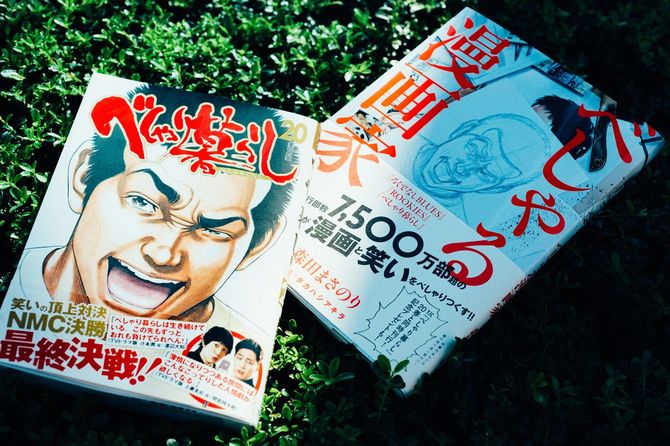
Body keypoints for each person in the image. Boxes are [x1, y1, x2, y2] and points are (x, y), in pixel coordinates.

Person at [31, 84, 298, 322]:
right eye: (142, 202)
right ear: (83, 177)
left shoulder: (238, 351)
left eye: (214, 230)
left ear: (258, 245)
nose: (163, 255)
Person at [411, 113, 552, 222]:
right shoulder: (403, 124)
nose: (462, 168)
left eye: (486, 174)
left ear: (492, 190)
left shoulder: (452, 227)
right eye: (473, 150)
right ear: (463, 129)